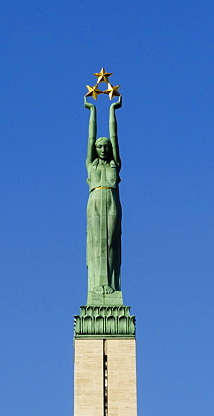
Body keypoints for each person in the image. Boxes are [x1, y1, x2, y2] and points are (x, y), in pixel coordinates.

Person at [83, 96, 123, 297]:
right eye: (100, 147)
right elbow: (91, 137)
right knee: (96, 243)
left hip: (112, 201)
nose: (104, 149)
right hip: (95, 202)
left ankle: (111, 285)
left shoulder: (115, 163)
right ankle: (97, 286)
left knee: (111, 242)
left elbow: (114, 136)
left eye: (106, 146)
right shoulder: (91, 165)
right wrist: (92, 110)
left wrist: (113, 110)